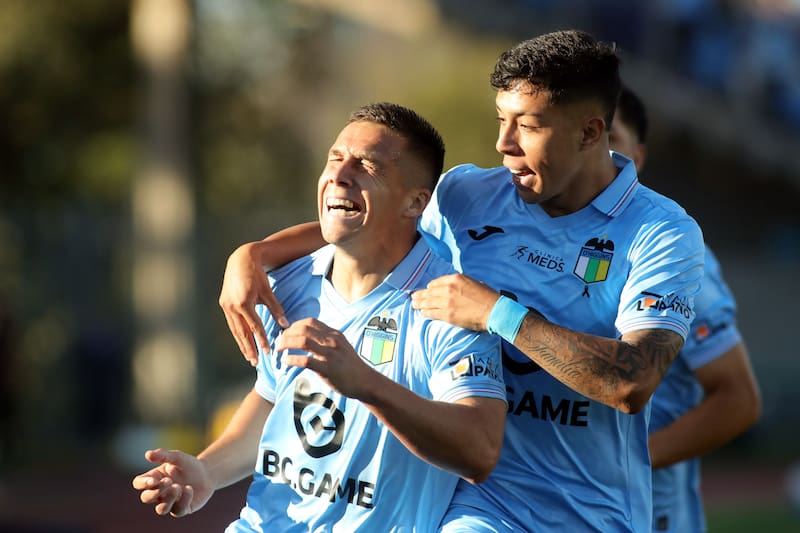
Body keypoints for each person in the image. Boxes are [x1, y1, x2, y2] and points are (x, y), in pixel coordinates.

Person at [218, 30, 706, 532]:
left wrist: (497, 313)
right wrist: (253, 255)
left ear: (589, 132)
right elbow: (373, 221)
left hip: (591, 511)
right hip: (477, 501)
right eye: (501, 120)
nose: (504, 144)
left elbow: (630, 382)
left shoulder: (661, 233)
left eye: (529, 126)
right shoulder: (466, 194)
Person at [132, 102, 507, 532]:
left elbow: (478, 452)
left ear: (415, 202)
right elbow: (274, 397)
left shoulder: (448, 304)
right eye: (335, 158)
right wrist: (206, 472)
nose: (340, 175)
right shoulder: (290, 280)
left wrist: (365, 383)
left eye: (367, 165)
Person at [609, 85, 761, 533]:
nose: (595, 152)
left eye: (610, 139)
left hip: (646, 512)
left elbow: (737, 400)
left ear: (638, 156)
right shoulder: (522, 237)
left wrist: (617, 462)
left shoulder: (670, 248)